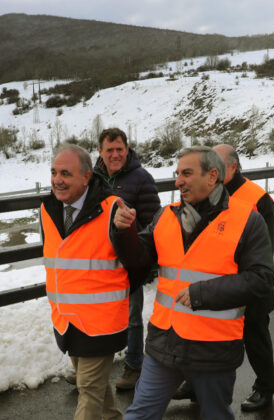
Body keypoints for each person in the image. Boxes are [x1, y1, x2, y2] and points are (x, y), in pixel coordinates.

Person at [111, 146, 274, 419]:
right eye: (177, 174)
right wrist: (124, 231)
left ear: (212, 177)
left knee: (215, 415)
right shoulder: (166, 215)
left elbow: (262, 279)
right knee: (140, 413)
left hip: (213, 349)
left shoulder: (248, 221)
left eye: (186, 173)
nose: (178, 181)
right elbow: (138, 257)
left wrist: (202, 294)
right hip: (163, 343)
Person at [174, 143, 274, 411]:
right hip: (213, 284)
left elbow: (260, 250)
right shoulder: (204, 193)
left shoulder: (258, 198)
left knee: (255, 338)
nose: (211, 167)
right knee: (204, 337)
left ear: (232, 166)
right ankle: (196, 385)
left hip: (249, 285)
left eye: (216, 162)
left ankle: (265, 388)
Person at [43, 143, 138, 419]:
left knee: (88, 388)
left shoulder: (112, 210)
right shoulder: (47, 208)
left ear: (86, 177)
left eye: (66, 173)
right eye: (53, 172)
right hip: (67, 320)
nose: (57, 180)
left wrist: (126, 232)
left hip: (101, 322)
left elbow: (138, 261)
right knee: (96, 389)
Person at [93, 127, 161, 390]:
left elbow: (153, 220)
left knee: (132, 316)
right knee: (100, 314)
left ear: (127, 149)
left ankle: (134, 366)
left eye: (119, 149)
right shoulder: (93, 178)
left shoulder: (141, 178)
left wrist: (140, 251)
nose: (115, 154)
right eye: (109, 149)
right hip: (100, 261)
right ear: (100, 151)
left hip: (128, 261)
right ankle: (94, 367)